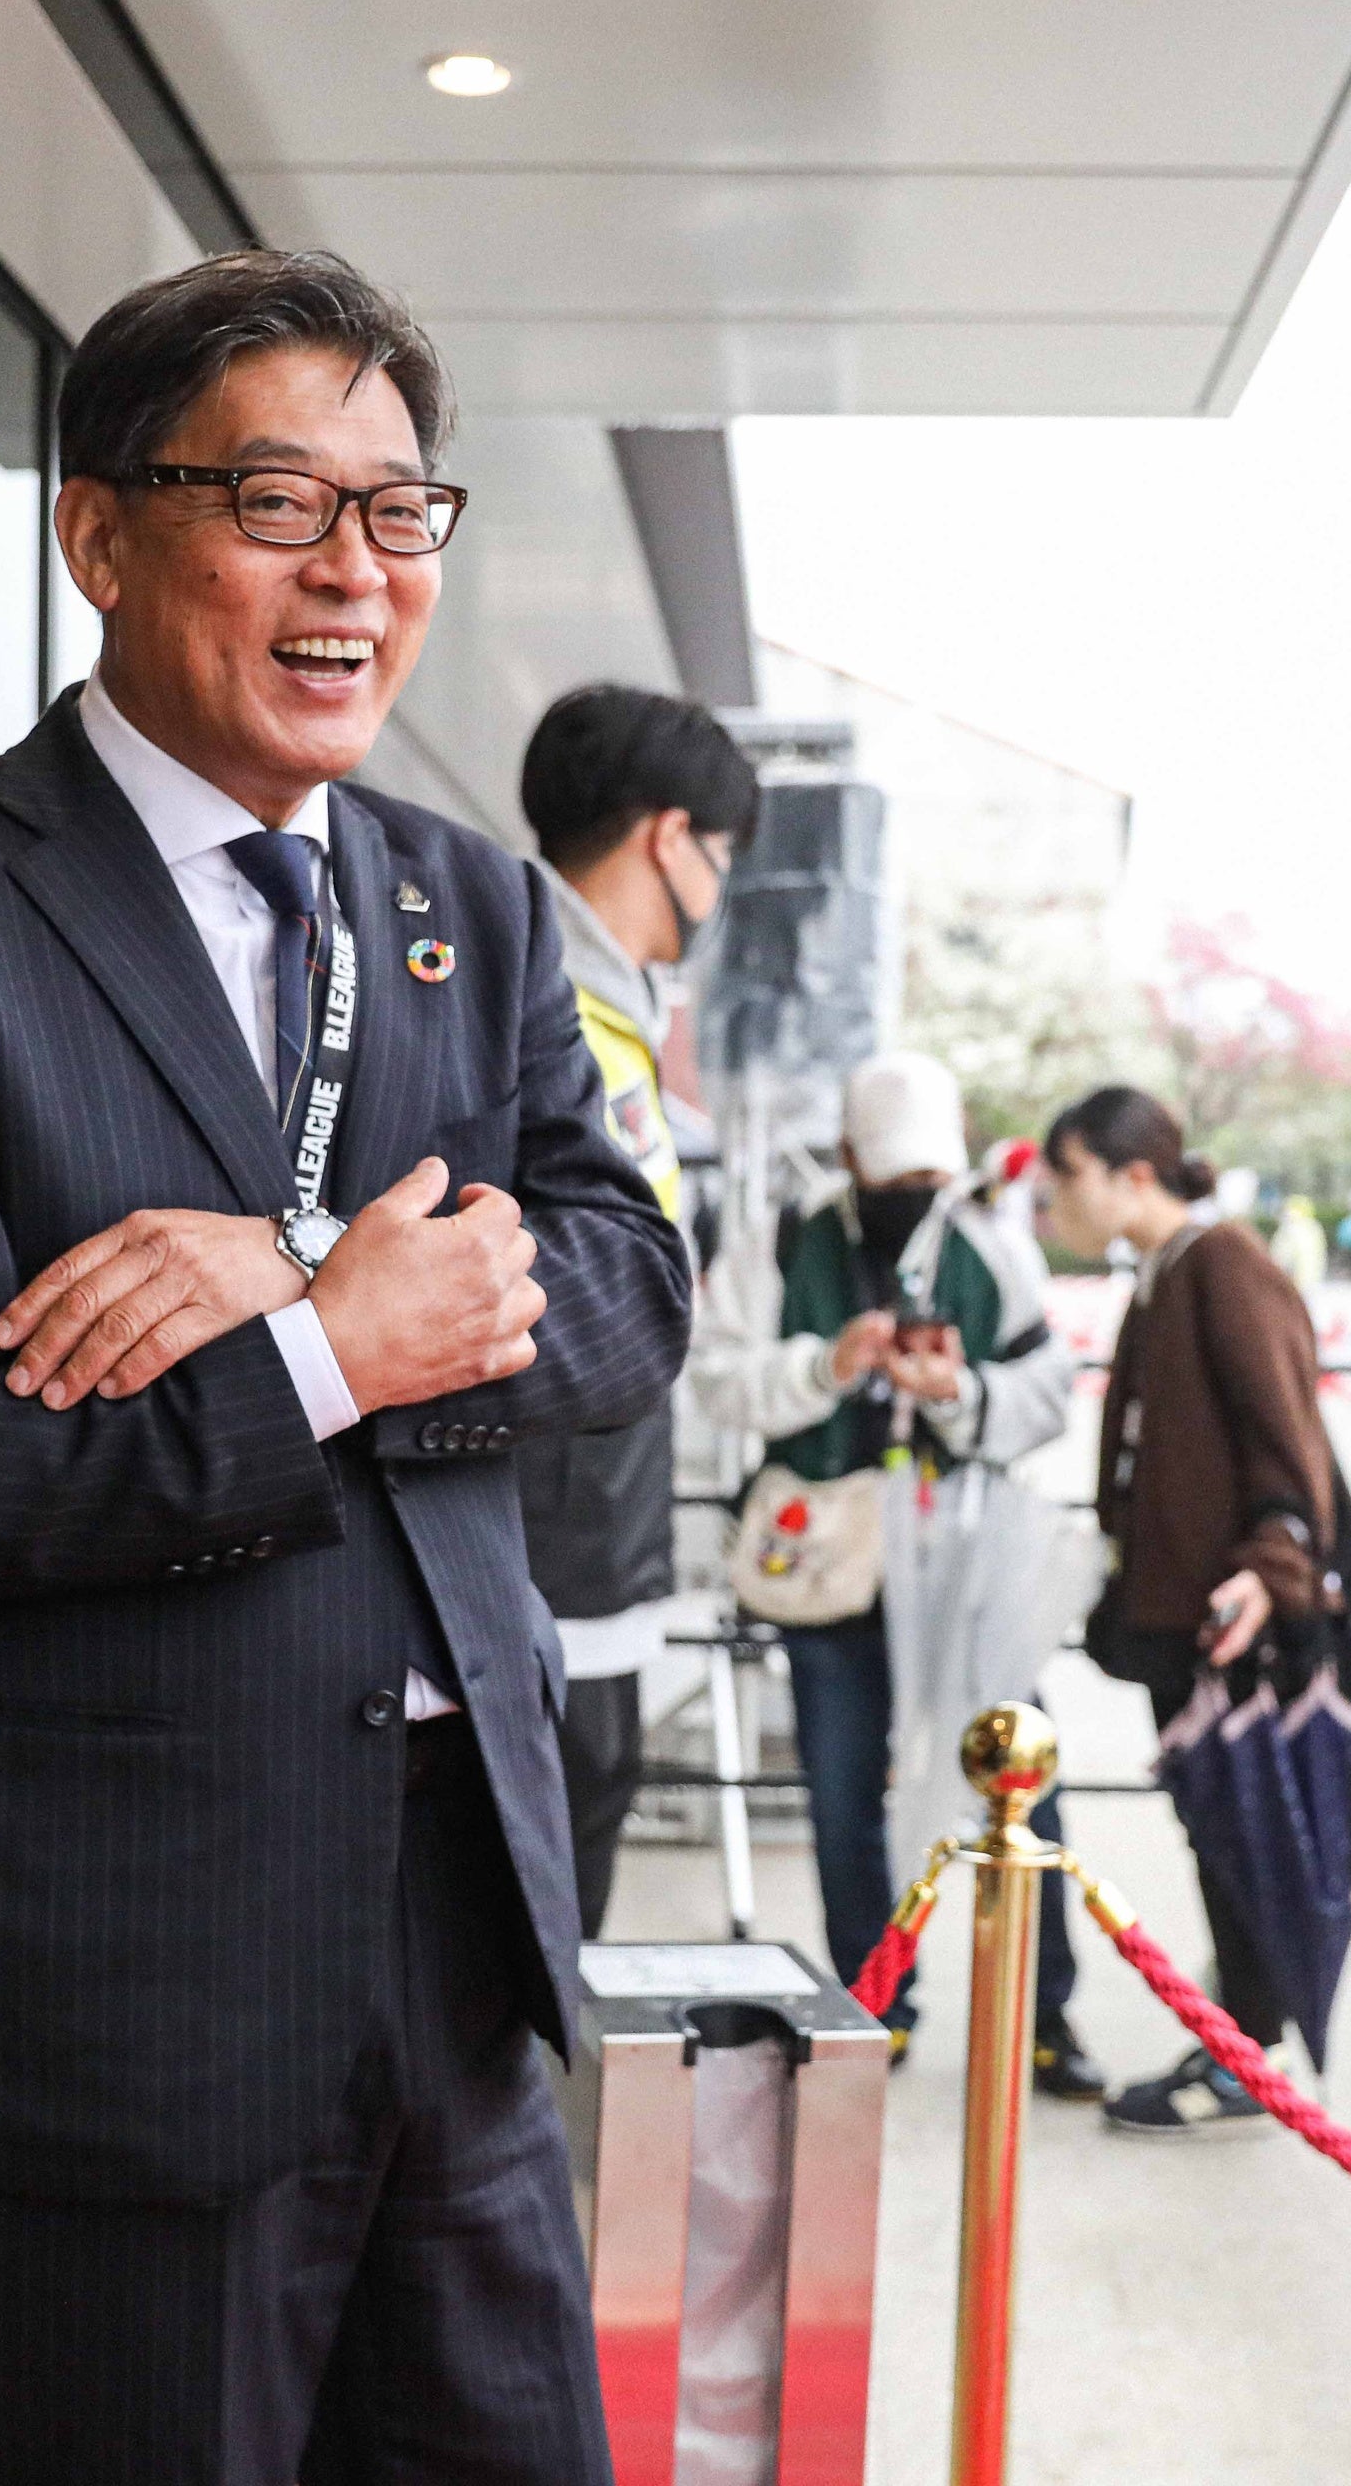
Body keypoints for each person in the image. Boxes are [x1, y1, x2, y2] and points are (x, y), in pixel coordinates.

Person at [0, 247, 690, 2485]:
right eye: (277, 504)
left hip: (460, 1942)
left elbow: (630, 1291)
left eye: (399, 511)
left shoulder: (474, 906)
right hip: (114, 1991)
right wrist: (327, 1354)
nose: (356, 570)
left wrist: (295, 1270)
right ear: (100, 533)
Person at [688, 1052, 1105, 2098]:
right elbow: (716, 1377)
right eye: (896, 1174)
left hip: (964, 1554)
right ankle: (876, 2002)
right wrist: (825, 1367)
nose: (916, 1192)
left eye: (930, 1176)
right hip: (830, 1561)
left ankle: (1044, 2008)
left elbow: (1047, 1389)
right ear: (849, 1155)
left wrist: (957, 1390)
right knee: (842, 1793)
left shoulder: (988, 1243)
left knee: (1021, 1779)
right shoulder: (785, 1238)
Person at [1038, 1086, 1342, 2135]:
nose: (1054, 1200)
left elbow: (1287, 1432)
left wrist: (1272, 1561)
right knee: (1217, 1828)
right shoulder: (1166, 1270)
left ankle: (1246, 2055)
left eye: (1068, 1175)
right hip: (1189, 1612)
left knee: (1240, 1833)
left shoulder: (1222, 1264)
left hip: (1231, 1612)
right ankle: (1241, 2039)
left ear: (1133, 1174)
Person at [513, 681, 758, 1931]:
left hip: (577, 1532)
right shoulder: (544, 998)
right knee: (545, 1901)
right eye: (723, 855)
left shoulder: (581, 996)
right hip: (551, 1543)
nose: (720, 892)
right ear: (671, 838)